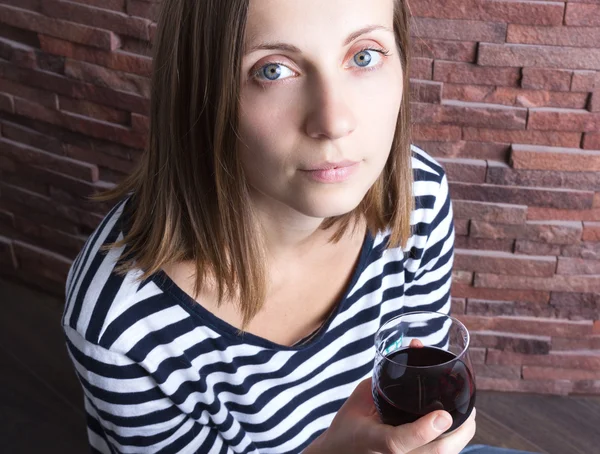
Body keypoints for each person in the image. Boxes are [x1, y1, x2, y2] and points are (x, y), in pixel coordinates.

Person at [61, 0, 538, 453]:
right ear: (198, 92)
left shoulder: (419, 198)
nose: (334, 122)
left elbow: (417, 385)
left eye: (365, 55)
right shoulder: (122, 327)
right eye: (272, 70)